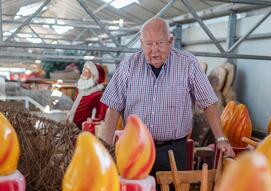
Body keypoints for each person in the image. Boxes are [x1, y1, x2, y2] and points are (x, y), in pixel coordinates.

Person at [100, 17, 235, 177]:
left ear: (170, 41)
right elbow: (113, 107)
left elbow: (208, 103)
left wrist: (221, 139)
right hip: (134, 147)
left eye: (160, 43)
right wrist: (105, 149)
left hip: (173, 149)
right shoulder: (128, 66)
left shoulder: (188, 64)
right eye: (149, 44)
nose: (154, 50)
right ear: (141, 43)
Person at [68, 61, 108, 129]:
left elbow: (102, 118)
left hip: (85, 131)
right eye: (83, 69)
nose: (83, 72)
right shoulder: (80, 92)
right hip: (73, 129)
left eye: (86, 70)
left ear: (94, 75)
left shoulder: (97, 95)